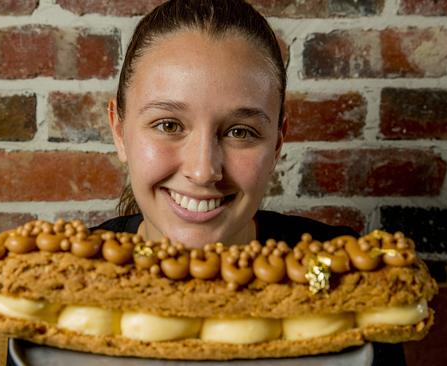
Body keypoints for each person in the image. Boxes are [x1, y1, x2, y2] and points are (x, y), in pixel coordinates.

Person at [90, 0, 406, 364]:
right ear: (118, 130)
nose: (203, 170)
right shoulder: (63, 284)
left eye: (240, 131)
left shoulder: (351, 277)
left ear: (277, 143)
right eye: (168, 125)